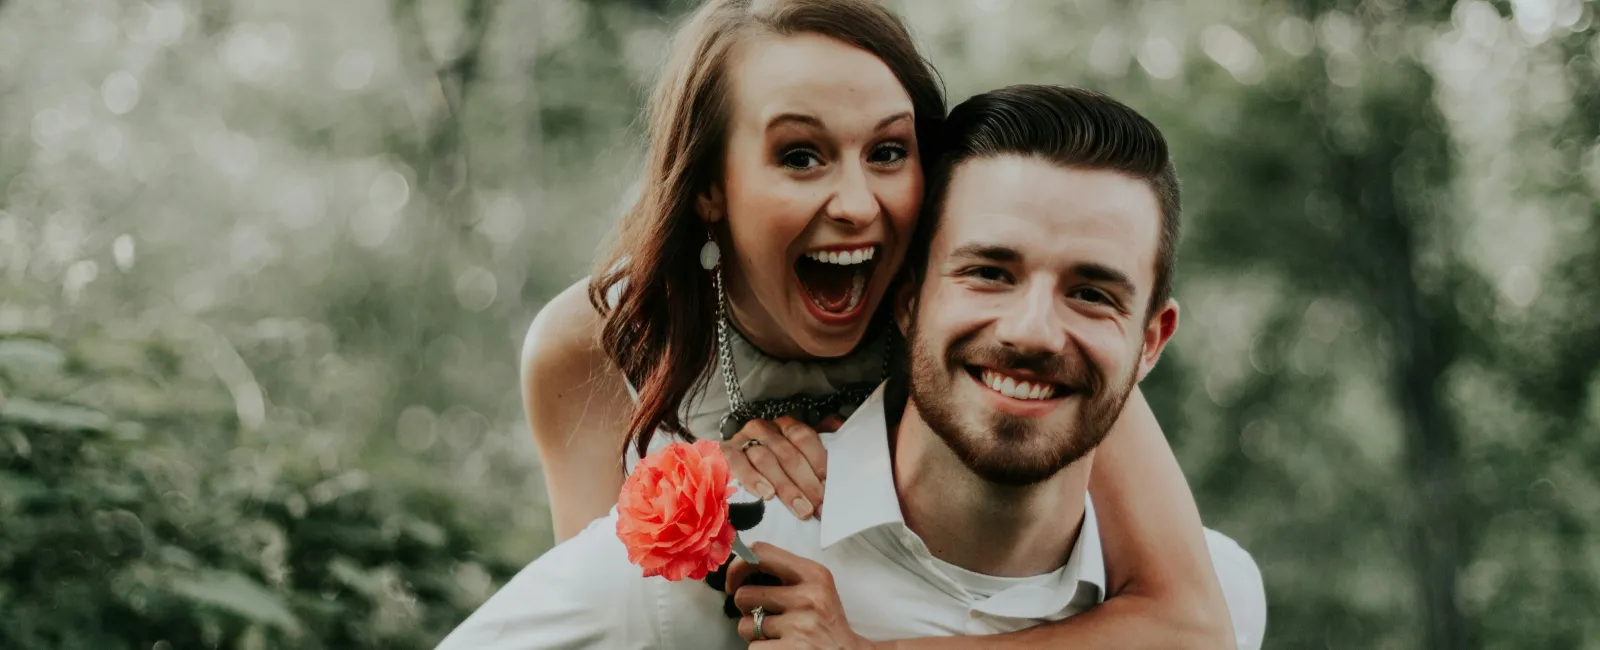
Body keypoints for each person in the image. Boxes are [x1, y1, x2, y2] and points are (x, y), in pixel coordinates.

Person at [442, 84, 1265, 650]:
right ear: (905, 297)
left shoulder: (1222, 596)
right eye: (989, 271)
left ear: (1151, 341)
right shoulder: (698, 577)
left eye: (1091, 293)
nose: (1034, 331)